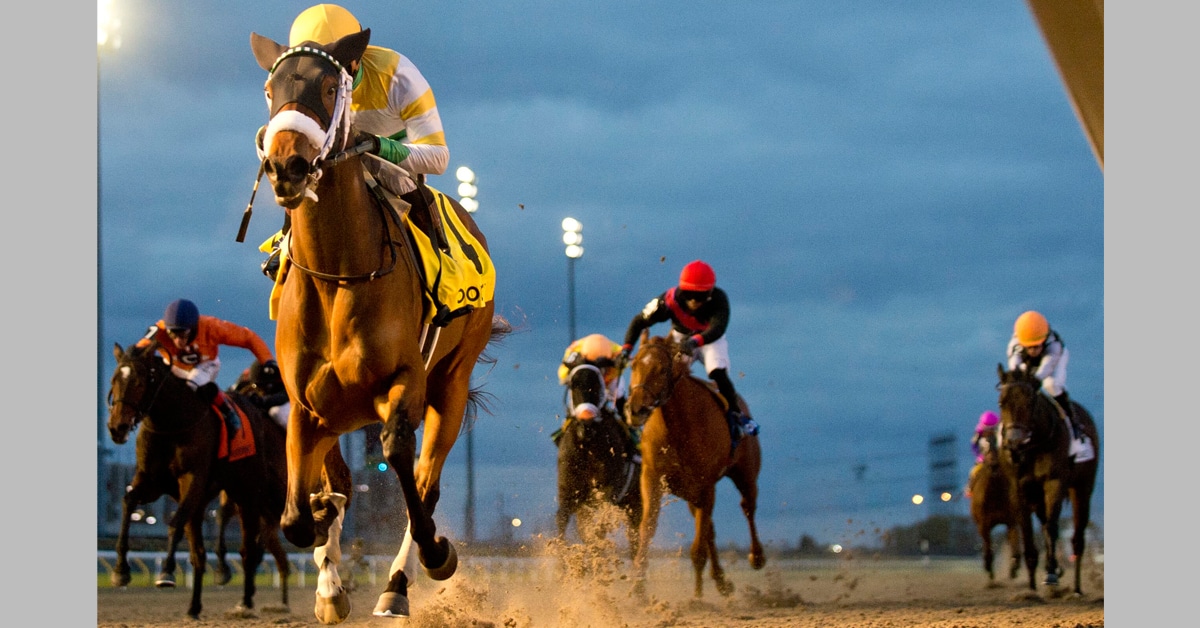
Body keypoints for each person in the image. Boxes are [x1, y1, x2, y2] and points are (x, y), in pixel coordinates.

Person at [261, 3, 452, 279]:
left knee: (404, 185)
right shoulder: (291, 78)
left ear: (356, 59)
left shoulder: (398, 75)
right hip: (329, 161)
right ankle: (285, 244)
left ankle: (439, 268)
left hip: (392, 164)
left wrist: (378, 145)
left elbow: (438, 158)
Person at [619, 260, 759, 437]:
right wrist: (627, 348)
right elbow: (639, 321)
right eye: (689, 294)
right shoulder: (667, 300)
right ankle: (645, 415)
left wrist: (694, 342)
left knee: (717, 372)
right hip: (681, 337)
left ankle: (737, 414)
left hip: (709, 340)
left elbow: (718, 328)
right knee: (667, 374)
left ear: (710, 293)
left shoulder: (719, 300)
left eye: (700, 296)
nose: (693, 301)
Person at [137, 299, 276, 434]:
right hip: (175, 366)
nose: (178, 340)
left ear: (194, 327)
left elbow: (248, 337)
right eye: (173, 333)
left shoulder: (211, 326)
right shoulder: (159, 329)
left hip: (206, 363)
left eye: (183, 333)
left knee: (193, 383)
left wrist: (267, 360)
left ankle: (227, 410)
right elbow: (139, 349)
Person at [1006, 310, 1094, 461]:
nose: (1033, 350)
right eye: (1029, 347)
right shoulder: (1014, 346)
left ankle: (1077, 435)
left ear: (1044, 339)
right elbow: (1015, 369)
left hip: (1053, 362)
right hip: (1028, 364)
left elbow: (1046, 368)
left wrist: (1035, 380)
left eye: (1037, 346)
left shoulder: (1054, 346)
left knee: (1052, 385)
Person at [555, 333, 639, 460]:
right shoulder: (573, 350)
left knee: (618, 394)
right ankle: (565, 427)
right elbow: (562, 375)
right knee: (577, 395)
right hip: (584, 375)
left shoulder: (616, 351)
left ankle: (632, 430)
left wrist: (617, 363)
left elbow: (626, 362)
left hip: (609, 377)